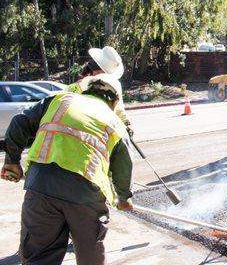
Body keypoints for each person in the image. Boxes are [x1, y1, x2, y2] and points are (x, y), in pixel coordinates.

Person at [1, 74, 133, 265]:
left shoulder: (59, 100)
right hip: (85, 195)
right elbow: (124, 166)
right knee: (90, 255)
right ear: (114, 102)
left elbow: (19, 122)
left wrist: (12, 161)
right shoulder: (115, 122)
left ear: (88, 90)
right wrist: (124, 198)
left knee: (39, 258)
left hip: (40, 188)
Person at [67, 46, 133, 135]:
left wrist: (127, 125)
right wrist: (127, 126)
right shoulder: (111, 86)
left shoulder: (72, 87)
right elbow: (119, 111)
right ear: (102, 72)